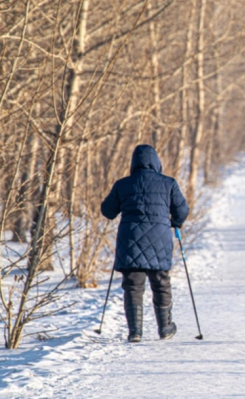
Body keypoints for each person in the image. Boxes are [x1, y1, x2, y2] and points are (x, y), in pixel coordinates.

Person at [101, 144, 189, 342]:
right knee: (161, 282)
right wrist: (174, 222)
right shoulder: (169, 183)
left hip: (130, 240)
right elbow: (182, 211)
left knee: (133, 285)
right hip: (160, 239)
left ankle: (135, 331)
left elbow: (107, 211)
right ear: (157, 162)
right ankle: (165, 327)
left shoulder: (122, 184)